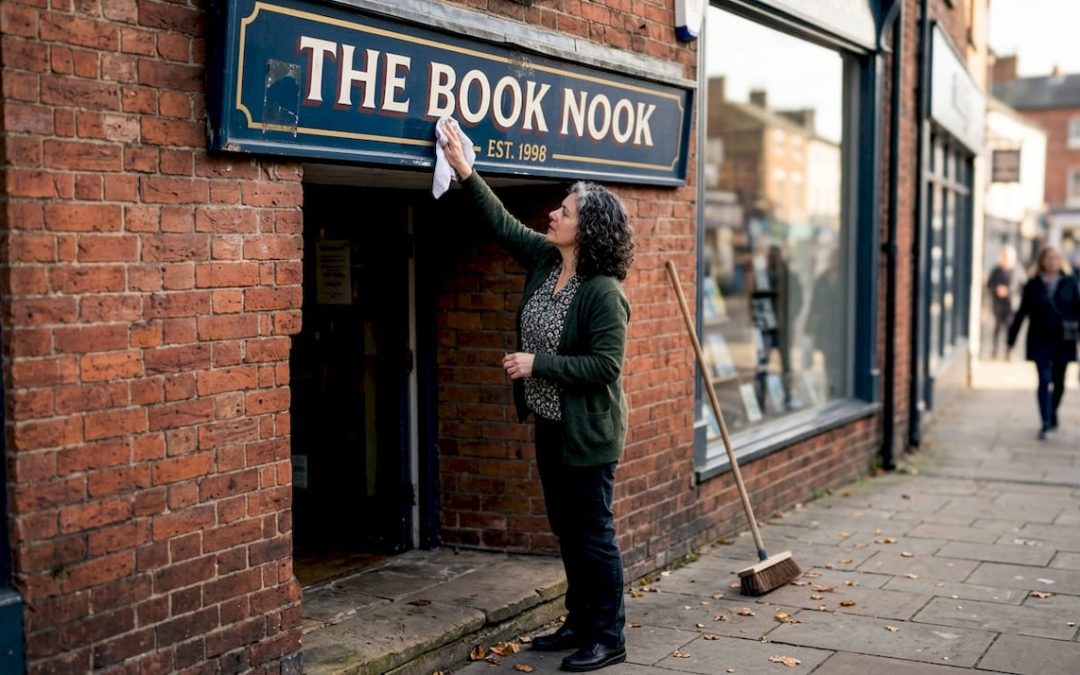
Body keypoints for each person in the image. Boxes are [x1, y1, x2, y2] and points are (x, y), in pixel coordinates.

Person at [440, 119, 633, 673]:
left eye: (565, 211)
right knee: (566, 529)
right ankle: (578, 621)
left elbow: (605, 367)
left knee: (594, 533)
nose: (553, 214)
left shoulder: (602, 293)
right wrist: (465, 170)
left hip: (588, 433)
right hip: (550, 425)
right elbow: (501, 224)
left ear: (587, 228)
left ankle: (608, 636)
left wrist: (536, 364)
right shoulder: (548, 263)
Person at [1007, 247, 1080, 439]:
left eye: (1056, 258)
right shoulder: (1033, 285)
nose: (1052, 262)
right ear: (1042, 261)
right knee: (1043, 380)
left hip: (1064, 340)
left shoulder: (1070, 282)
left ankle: (1053, 411)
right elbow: (1022, 312)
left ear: (1060, 261)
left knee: (1060, 383)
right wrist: (1011, 340)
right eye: (1048, 258)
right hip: (1040, 340)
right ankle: (1045, 421)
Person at [986, 245, 1024, 359]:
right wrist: (996, 289)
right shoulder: (996, 270)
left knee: (1010, 328)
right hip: (998, 305)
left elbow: (1022, 288)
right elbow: (989, 284)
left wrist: (1009, 291)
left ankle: (1009, 351)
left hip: (1012, 305)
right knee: (997, 329)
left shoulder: (1018, 271)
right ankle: (995, 350)